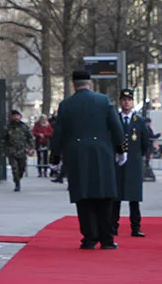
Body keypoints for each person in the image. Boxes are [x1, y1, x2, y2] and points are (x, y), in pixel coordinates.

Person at [49, 70, 125, 249]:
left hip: (76, 154)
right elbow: (116, 127)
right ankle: (107, 239)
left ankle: (90, 238)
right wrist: (122, 149)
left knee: (83, 197)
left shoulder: (66, 104)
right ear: (90, 84)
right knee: (104, 196)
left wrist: (55, 156)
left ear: (74, 85)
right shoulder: (103, 101)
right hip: (102, 153)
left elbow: (58, 133)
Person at [112, 89, 152, 238]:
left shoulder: (139, 121)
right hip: (117, 164)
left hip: (133, 164)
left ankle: (136, 227)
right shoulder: (114, 119)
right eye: (123, 100)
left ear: (132, 102)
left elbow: (144, 144)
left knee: (134, 198)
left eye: (129, 100)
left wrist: (137, 157)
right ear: (120, 102)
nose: (126, 102)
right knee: (115, 198)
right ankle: (113, 226)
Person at [0, 109, 34, 192]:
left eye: (17, 116)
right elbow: (3, 139)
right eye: (14, 116)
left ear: (20, 117)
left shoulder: (24, 127)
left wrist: (30, 148)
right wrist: (3, 150)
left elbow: (30, 138)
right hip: (11, 150)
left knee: (22, 168)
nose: (15, 117)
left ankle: (18, 178)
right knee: (14, 168)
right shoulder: (7, 127)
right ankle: (17, 184)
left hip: (22, 150)